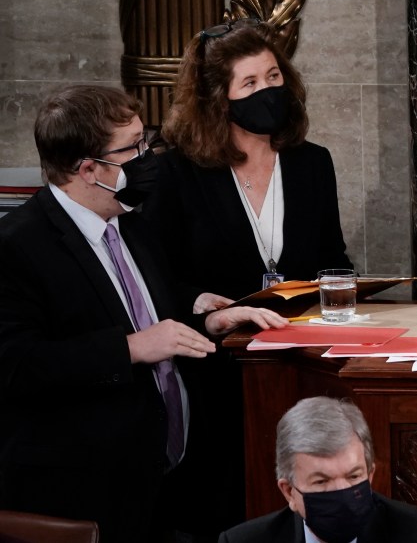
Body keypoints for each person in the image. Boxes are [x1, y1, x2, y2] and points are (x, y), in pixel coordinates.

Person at [0, 85, 286, 543]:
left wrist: (207, 322)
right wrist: (129, 348)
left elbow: (152, 318)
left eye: (144, 139)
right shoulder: (16, 246)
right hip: (87, 493)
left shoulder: (133, 220)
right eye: (132, 147)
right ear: (89, 169)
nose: (147, 155)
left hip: (170, 480)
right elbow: (16, 365)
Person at [142, 17, 353, 537]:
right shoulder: (176, 174)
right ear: (219, 99)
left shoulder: (311, 163)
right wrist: (208, 310)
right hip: (215, 373)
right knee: (228, 510)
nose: (268, 91)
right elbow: (156, 280)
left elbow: (334, 258)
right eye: (251, 83)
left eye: (274, 76)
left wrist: (345, 291)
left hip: (302, 365)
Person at [218, 396, 417, 542]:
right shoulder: (242, 541)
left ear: (370, 474)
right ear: (289, 491)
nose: (342, 492)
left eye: (354, 476)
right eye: (321, 481)